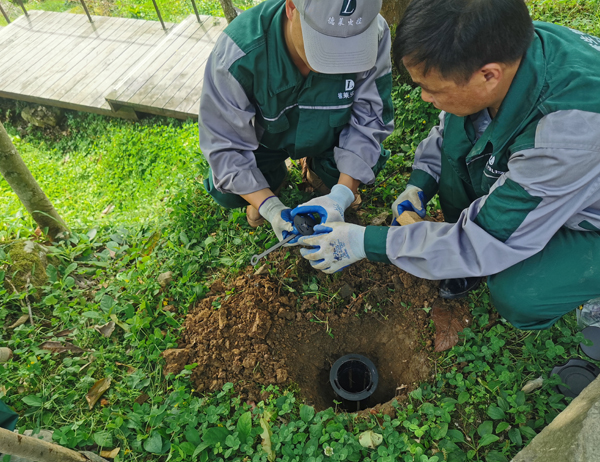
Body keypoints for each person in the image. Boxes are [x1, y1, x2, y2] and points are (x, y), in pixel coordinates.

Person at [297, 0, 600, 330]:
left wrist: (363, 242)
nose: (425, 98)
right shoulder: (502, 45)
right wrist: (419, 184)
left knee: (520, 292)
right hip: (560, 177)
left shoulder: (566, 132)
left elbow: (485, 239)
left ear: (488, 75)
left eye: (431, 89)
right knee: (460, 132)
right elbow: (448, 129)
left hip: (591, 217)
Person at [199, 0, 394, 242]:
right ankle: (272, 178)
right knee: (228, 192)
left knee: (358, 167)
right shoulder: (236, 53)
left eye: (351, 44)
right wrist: (269, 207)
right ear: (291, 7)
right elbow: (225, 148)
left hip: (329, 135)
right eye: (325, 40)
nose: (337, 60)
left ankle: (319, 171)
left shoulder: (374, 32)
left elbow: (370, 120)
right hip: (268, 142)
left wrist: (342, 195)